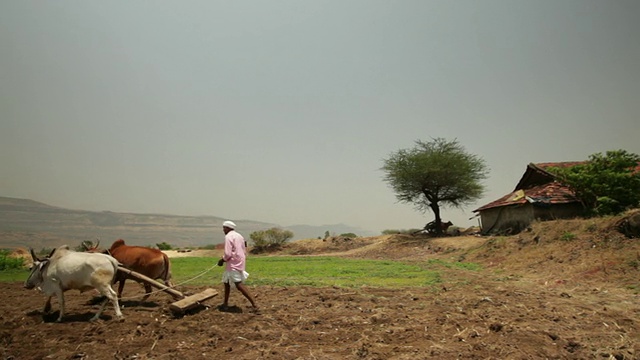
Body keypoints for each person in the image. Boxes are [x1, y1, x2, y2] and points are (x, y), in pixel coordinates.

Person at [217, 220, 258, 312]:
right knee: (226, 282)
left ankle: (255, 305)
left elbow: (228, 253)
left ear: (227, 228)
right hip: (239, 261)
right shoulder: (239, 236)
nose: (223, 230)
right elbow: (244, 248)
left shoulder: (228, 237)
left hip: (232, 263)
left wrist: (222, 260)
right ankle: (225, 304)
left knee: (238, 284)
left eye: (224, 228)